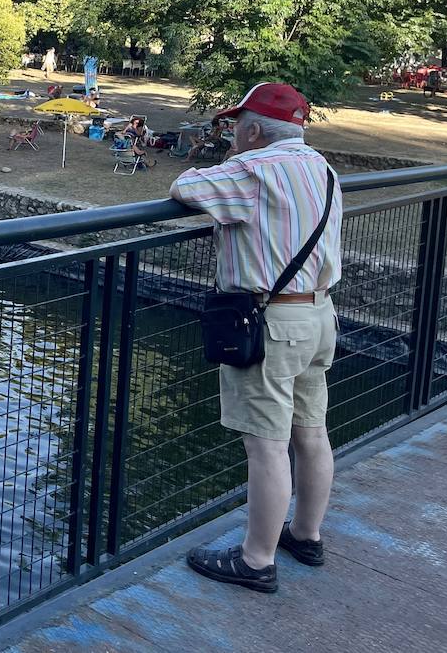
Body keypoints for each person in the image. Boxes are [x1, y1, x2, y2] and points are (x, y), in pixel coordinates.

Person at [171, 83, 342, 594]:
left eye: (236, 127)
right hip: (318, 315)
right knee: (310, 432)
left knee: (265, 445)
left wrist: (228, 156)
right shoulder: (324, 169)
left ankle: (255, 559)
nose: (233, 135)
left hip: (270, 325)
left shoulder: (252, 170)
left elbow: (184, 187)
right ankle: (306, 536)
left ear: (251, 130)